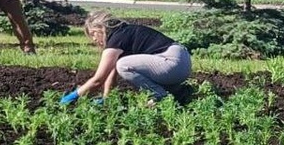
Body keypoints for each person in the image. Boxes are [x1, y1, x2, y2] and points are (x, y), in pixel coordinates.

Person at [62, 11, 191, 104]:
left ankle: (159, 95)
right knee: (121, 64)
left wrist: (74, 95)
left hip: (171, 62)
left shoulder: (116, 39)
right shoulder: (125, 33)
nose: (94, 39)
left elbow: (98, 79)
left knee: (123, 65)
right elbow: (110, 75)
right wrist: (107, 98)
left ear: (100, 28)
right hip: (181, 63)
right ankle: (176, 91)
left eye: (93, 34)